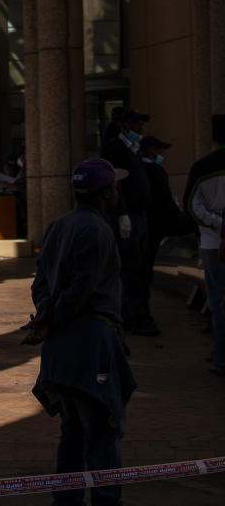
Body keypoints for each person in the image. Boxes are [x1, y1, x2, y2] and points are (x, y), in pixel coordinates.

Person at [24, 158, 154, 506]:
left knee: (73, 431)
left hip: (62, 345)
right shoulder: (98, 230)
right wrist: (54, 317)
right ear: (107, 192)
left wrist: (46, 316)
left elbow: (41, 283)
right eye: (115, 187)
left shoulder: (59, 226)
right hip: (89, 338)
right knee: (102, 427)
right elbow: (81, 290)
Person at [101, 110, 156, 336]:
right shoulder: (115, 148)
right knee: (133, 270)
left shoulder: (131, 150)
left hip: (139, 216)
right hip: (128, 217)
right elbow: (115, 183)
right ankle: (137, 318)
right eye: (136, 126)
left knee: (139, 269)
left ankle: (129, 315)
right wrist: (121, 212)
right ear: (124, 126)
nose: (140, 131)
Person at [185, 115, 225, 376]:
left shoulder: (201, 166)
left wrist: (216, 223)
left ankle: (221, 356)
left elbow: (191, 205)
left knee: (218, 298)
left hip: (213, 241)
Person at [140, 136, 192, 322]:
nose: (160, 154)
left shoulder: (139, 169)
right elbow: (164, 199)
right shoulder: (155, 170)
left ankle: (139, 311)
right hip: (158, 223)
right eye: (157, 150)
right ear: (146, 150)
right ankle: (141, 314)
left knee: (142, 268)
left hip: (147, 224)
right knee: (144, 270)